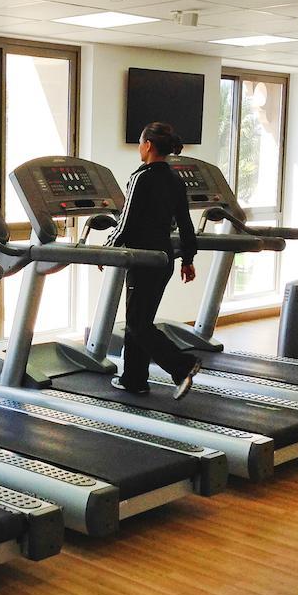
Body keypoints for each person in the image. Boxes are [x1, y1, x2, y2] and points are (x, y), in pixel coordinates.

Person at [108, 121, 201, 400]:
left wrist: (108, 249)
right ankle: (134, 379)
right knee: (140, 318)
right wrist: (188, 258)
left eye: (140, 143)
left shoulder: (141, 177)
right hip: (164, 259)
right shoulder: (174, 179)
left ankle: (182, 365)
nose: (139, 148)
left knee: (137, 323)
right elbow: (185, 223)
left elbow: (126, 221)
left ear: (148, 145)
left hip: (142, 259)